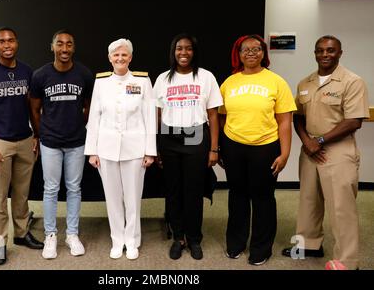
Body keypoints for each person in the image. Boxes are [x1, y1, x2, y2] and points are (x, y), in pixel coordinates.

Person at [281, 35, 369, 270]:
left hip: (338, 152)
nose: (325, 55)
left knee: (341, 208)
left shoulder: (352, 81)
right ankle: (308, 245)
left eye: (330, 51)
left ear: (340, 53)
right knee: (308, 201)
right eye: (320, 51)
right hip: (310, 150)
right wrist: (308, 141)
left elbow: (354, 121)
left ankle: (348, 261)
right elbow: (297, 116)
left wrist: (319, 141)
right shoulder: (305, 83)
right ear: (315, 53)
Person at [218, 34, 296, 266]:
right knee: (237, 195)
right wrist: (223, 145)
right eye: (245, 50)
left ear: (264, 53)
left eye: (256, 49)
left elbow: (284, 121)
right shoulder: (229, 82)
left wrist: (285, 153)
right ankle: (236, 243)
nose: (251, 53)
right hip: (234, 147)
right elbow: (221, 116)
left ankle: (261, 248)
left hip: (266, 147)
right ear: (238, 54)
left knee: (263, 198)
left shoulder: (276, 82)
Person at [0, 27, 43, 265]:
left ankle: (22, 234)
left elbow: (32, 106)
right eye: (1, 41)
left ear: (17, 42)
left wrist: (37, 134)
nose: (7, 44)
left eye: (11, 40)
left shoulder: (26, 71)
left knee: (22, 193)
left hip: (25, 139)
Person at [84, 38, 156, 260]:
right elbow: (94, 116)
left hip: (135, 149)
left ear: (130, 57)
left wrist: (150, 151)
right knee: (113, 198)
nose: (120, 58)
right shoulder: (101, 82)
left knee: (133, 198)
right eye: (116, 55)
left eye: (124, 55)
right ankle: (117, 240)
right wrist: (92, 150)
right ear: (109, 58)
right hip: (106, 149)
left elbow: (150, 117)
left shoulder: (142, 81)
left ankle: (132, 240)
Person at [153, 33, 223, 260]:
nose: (183, 53)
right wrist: (156, 146)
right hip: (169, 136)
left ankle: (194, 238)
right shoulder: (163, 78)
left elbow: (213, 114)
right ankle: (178, 237)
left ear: (194, 51)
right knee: (173, 191)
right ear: (173, 52)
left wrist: (214, 148)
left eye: (188, 48)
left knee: (193, 190)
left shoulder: (206, 77)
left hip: (195, 134)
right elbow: (158, 114)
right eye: (179, 49)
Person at [30, 29, 94, 259]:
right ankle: (51, 235)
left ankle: (72, 234)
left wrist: (79, 124)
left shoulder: (84, 74)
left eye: (69, 44)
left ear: (73, 48)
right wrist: (40, 133)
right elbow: (34, 110)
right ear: (52, 46)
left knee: (74, 188)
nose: (64, 49)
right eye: (60, 44)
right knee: (50, 189)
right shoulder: (40, 75)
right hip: (50, 142)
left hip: (77, 141)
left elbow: (89, 107)